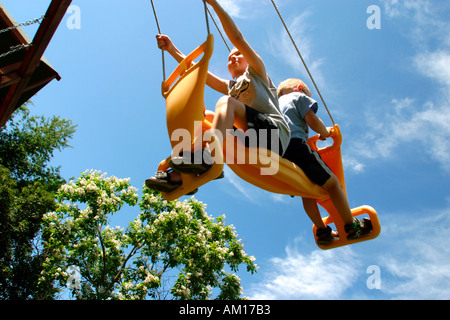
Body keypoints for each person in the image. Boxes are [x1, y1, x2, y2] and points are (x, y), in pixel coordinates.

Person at [147, 0, 290, 193]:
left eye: (238, 54)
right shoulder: (231, 87)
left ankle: (207, 156)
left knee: (225, 103)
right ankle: (183, 173)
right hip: (252, 137)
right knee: (204, 117)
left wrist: (214, 5)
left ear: (252, 58)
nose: (232, 57)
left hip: (273, 136)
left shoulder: (258, 73)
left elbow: (238, 37)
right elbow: (201, 72)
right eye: (229, 57)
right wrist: (172, 50)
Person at [277, 78, 369, 244]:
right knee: (333, 184)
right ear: (300, 88)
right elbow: (312, 120)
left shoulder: (274, 105)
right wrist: (325, 132)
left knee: (305, 192)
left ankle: (322, 230)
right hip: (296, 145)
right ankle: (351, 225)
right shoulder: (298, 97)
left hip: (278, 154)